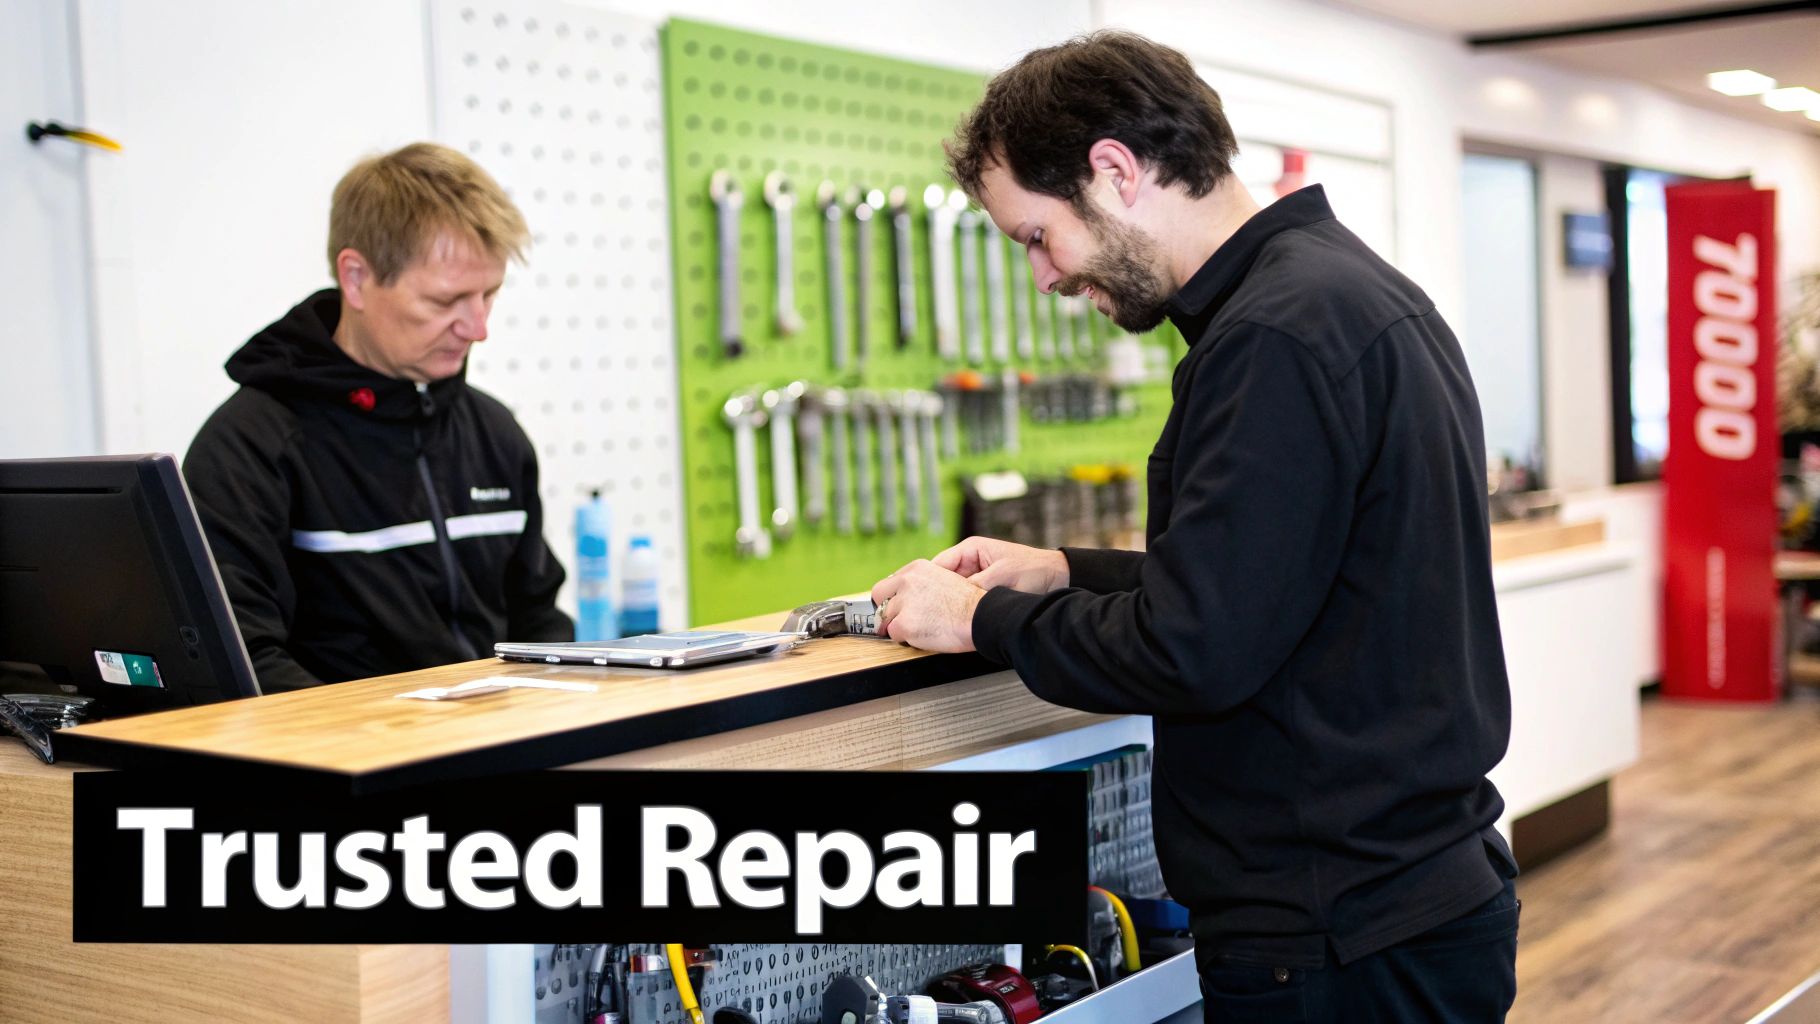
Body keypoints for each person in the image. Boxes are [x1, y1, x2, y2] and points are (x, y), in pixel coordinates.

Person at [869, 32, 1519, 1022]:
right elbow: (1275, 579)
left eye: (1035, 235)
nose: (1041, 276)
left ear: (1114, 172)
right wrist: (1061, 570)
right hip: (1402, 900)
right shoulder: (1349, 296)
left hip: (1335, 933)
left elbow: (1193, 649)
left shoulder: (1270, 339)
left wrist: (979, 619)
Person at [185, 142, 571, 692]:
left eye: (490, 294)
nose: (478, 327)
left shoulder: (494, 433)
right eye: (445, 302)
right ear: (357, 278)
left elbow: (539, 625)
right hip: (346, 765)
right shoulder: (252, 446)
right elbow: (242, 661)